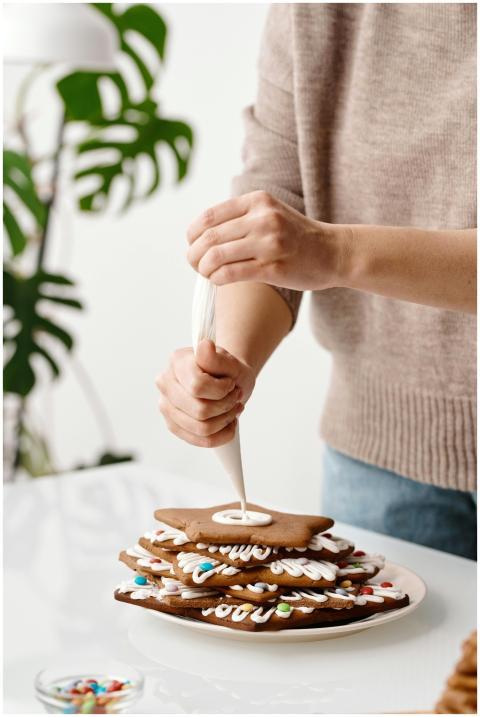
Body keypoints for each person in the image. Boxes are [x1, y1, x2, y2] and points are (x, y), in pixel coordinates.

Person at [156, 4, 476, 559]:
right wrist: (229, 369)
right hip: (379, 460)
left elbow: (308, 245)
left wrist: (333, 251)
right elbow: (276, 207)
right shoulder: (315, 12)